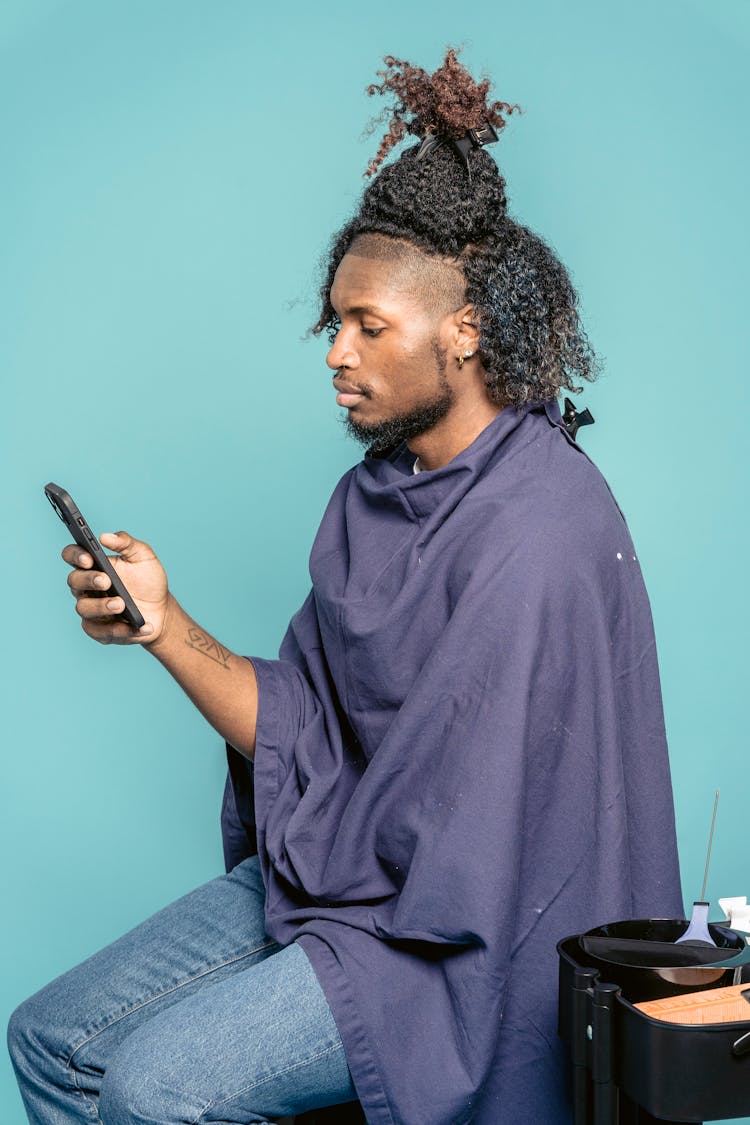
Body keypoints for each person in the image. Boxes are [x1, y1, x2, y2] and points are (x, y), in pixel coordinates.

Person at [8, 47, 683, 1125]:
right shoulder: (370, 498)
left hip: (451, 943)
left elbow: (469, 847)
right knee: (50, 1041)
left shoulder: (543, 530)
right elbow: (311, 730)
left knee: (154, 1085)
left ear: (463, 333)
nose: (336, 350)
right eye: (335, 319)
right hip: (344, 880)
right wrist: (163, 625)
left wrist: (334, 859)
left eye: (369, 324)